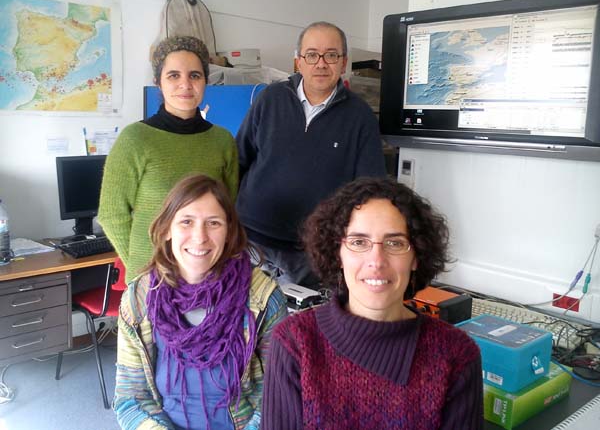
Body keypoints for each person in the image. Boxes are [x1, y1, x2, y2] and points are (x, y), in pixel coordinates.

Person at [262, 177, 483, 430]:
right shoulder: (295, 342)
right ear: (338, 253)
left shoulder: (457, 355)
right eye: (358, 242)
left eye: (395, 243)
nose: (376, 260)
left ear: (416, 257)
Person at [113, 174, 287, 430]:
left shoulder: (264, 300)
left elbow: (280, 398)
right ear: (166, 229)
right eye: (186, 221)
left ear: (229, 232)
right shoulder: (138, 300)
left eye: (213, 223)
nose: (200, 237)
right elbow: (131, 399)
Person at [235, 21, 386, 288]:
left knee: (302, 325)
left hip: (314, 252)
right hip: (252, 241)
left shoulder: (359, 116)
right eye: (312, 54)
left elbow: (369, 191)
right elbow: (239, 161)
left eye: (331, 55)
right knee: (245, 319)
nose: (321, 63)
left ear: (343, 63)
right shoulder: (270, 99)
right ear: (299, 62)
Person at [99, 36, 238, 283]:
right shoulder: (135, 139)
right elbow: (112, 214)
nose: (185, 84)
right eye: (173, 75)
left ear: (206, 82)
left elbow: (228, 212)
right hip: (151, 279)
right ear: (158, 83)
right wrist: (143, 264)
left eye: (194, 75)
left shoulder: (222, 140)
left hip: (208, 277)